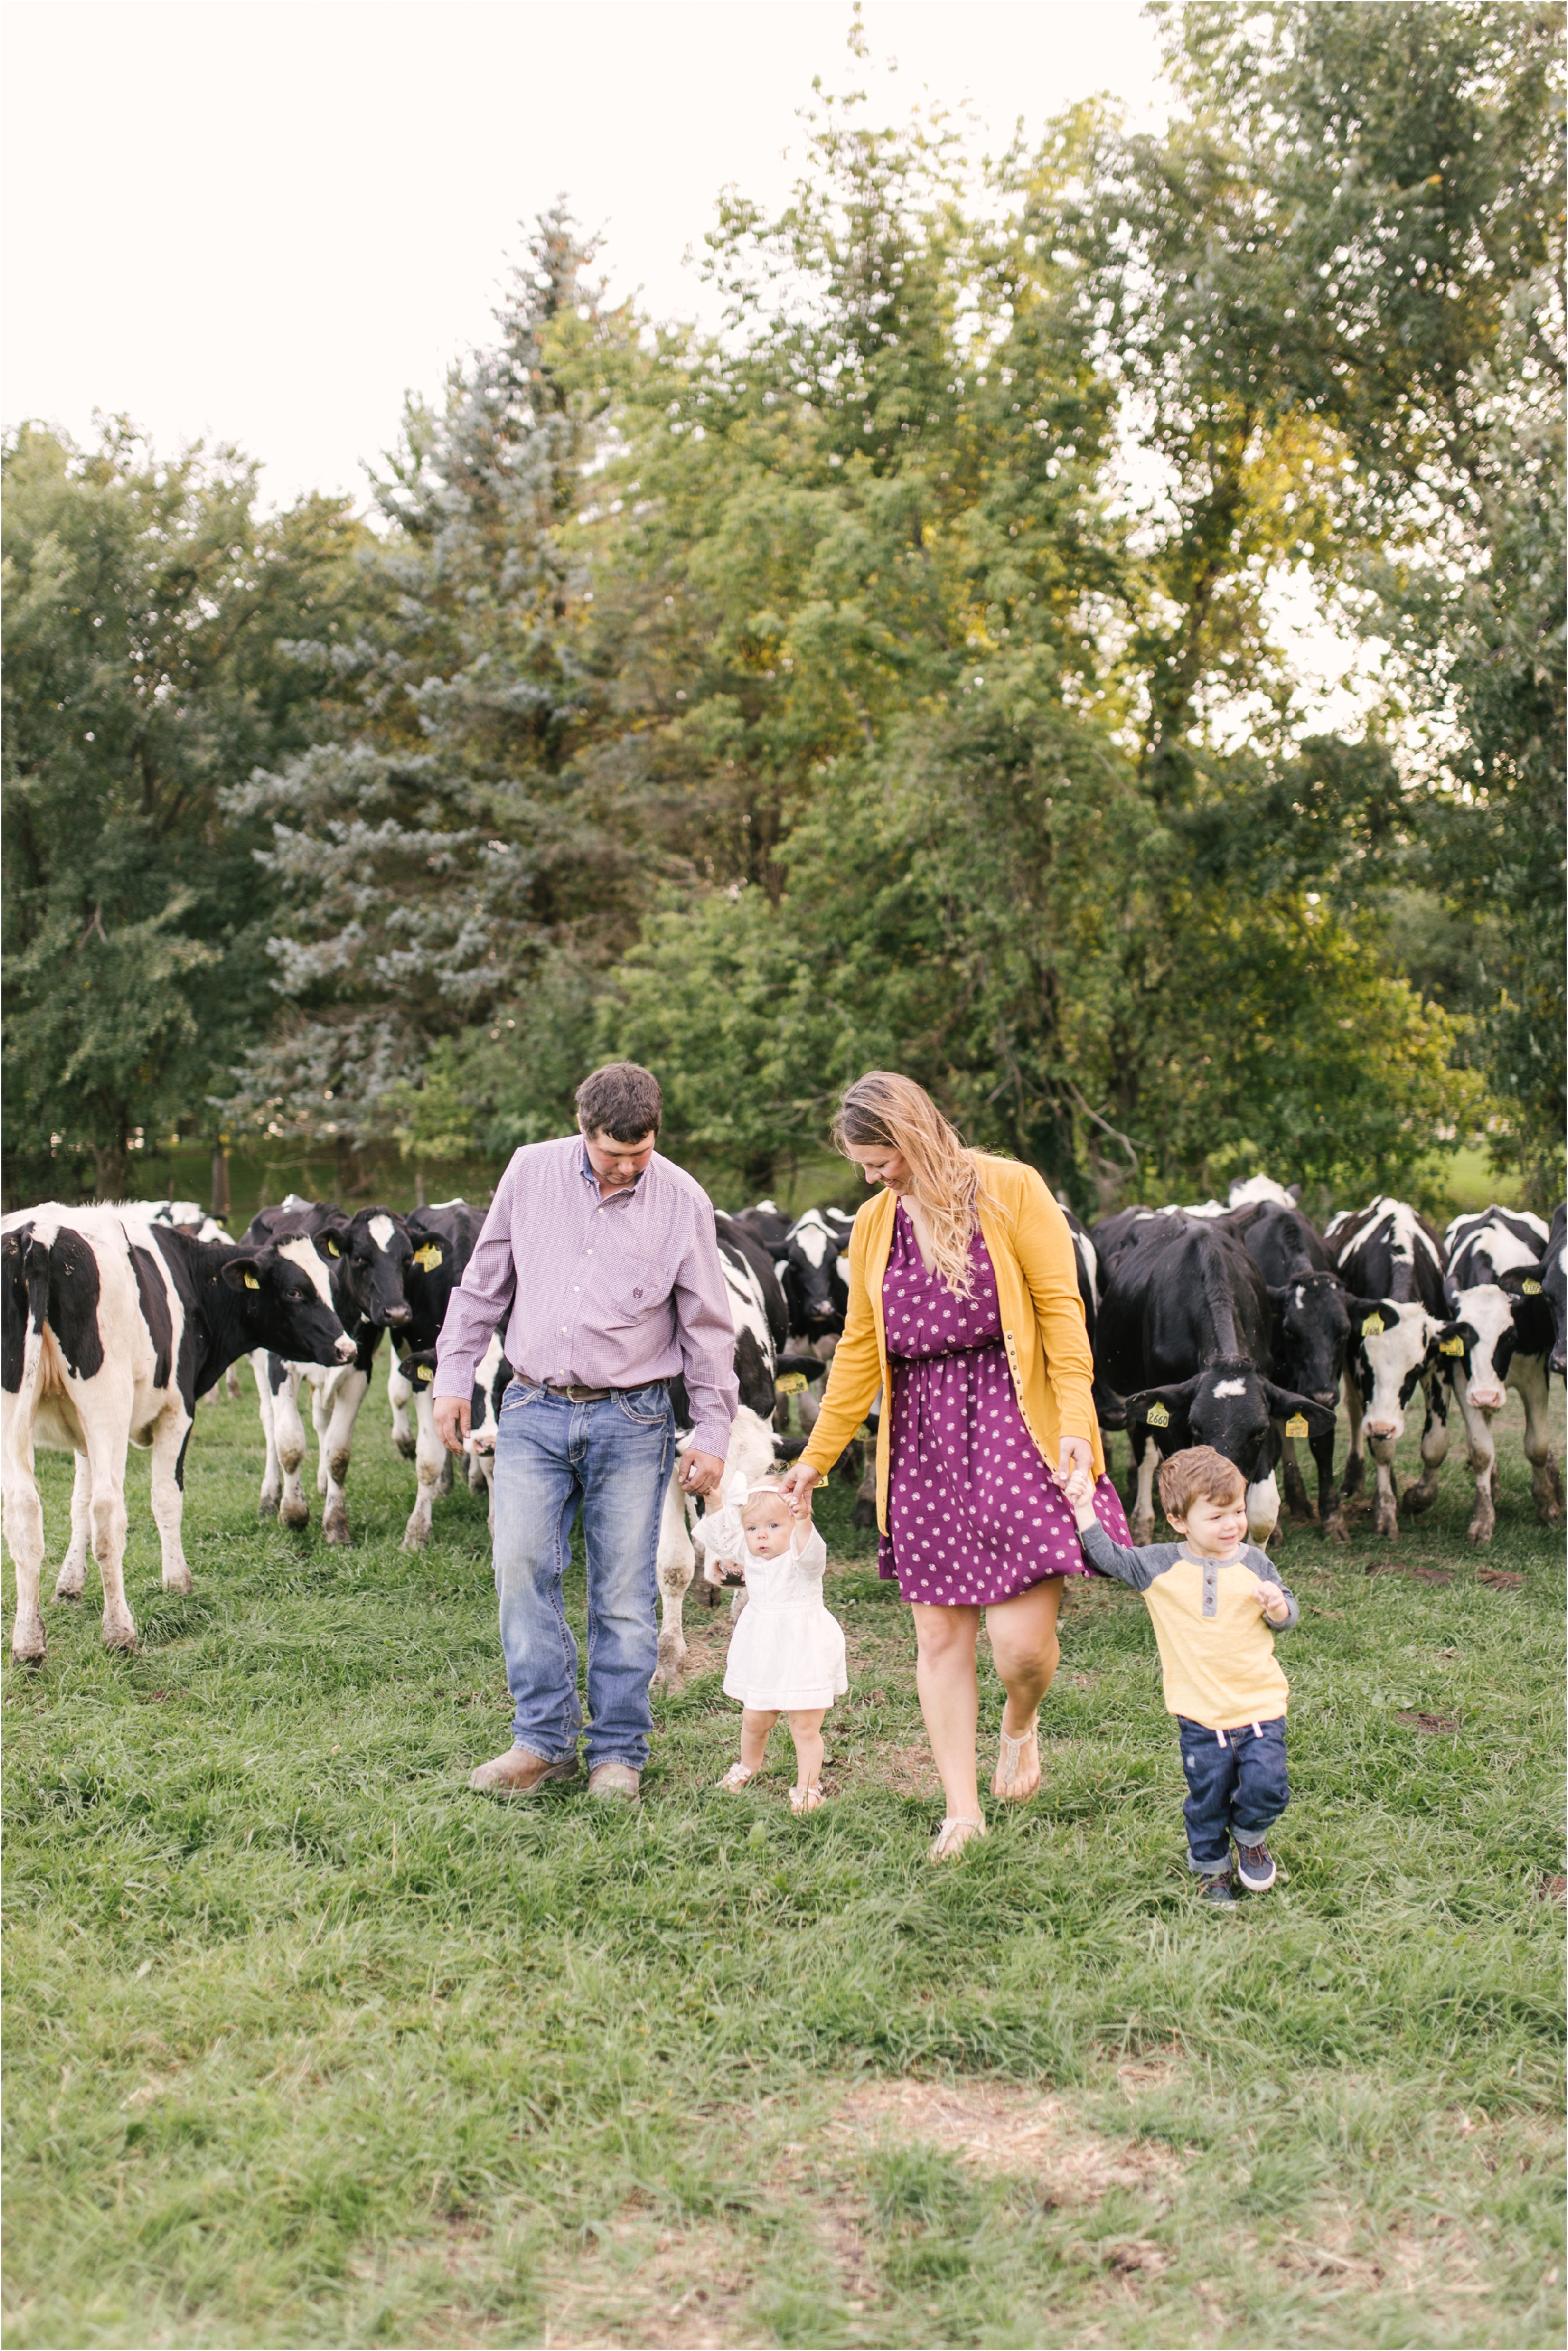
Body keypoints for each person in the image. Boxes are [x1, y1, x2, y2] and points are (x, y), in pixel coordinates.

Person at [780, 1072, 1131, 1860]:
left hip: (1017, 1426)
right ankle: (961, 1812)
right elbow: (861, 1353)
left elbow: (1060, 1311)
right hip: (924, 1446)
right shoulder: (873, 1225)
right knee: (939, 1637)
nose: (874, 1177)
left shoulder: (1010, 1188)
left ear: (915, 1132)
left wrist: (1076, 1420)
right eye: (865, 1166)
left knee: (1021, 1649)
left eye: (882, 1159)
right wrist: (815, 1457)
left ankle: (1020, 1723)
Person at [431, 1062, 737, 1803]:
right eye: (612, 1154)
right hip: (533, 1407)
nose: (628, 1166)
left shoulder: (682, 1199)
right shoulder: (529, 1172)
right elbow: (482, 1285)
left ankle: (618, 1752)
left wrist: (714, 1428)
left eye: (641, 1152)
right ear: (581, 1128)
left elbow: (706, 1324)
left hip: (633, 1416)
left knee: (626, 1592)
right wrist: (451, 1377)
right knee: (520, 1567)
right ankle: (542, 1741)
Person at [1063, 1444, 1297, 1907]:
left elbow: (1286, 1613)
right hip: (1199, 1714)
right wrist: (1083, 1506)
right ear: (1178, 1521)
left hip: (1259, 1705)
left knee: (1268, 1785)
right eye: (1217, 1517)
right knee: (1207, 1800)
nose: (1232, 1525)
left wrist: (1279, 1606)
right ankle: (1211, 1871)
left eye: (1237, 1511)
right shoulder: (1160, 1566)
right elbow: (1109, 1558)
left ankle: (1250, 1835)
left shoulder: (1254, 1562)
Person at [701, 1472, 848, 1815]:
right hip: (764, 1646)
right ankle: (747, 1765)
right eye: (752, 1529)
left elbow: (814, 1557)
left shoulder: (801, 1555)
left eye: (773, 1526)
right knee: (755, 1719)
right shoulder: (751, 1554)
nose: (762, 1535)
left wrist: (803, 1520)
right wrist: (714, 1501)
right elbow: (722, 1539)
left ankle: (809, 1785)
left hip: (803, 1646)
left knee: (804, 1725)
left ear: (792, 1524)